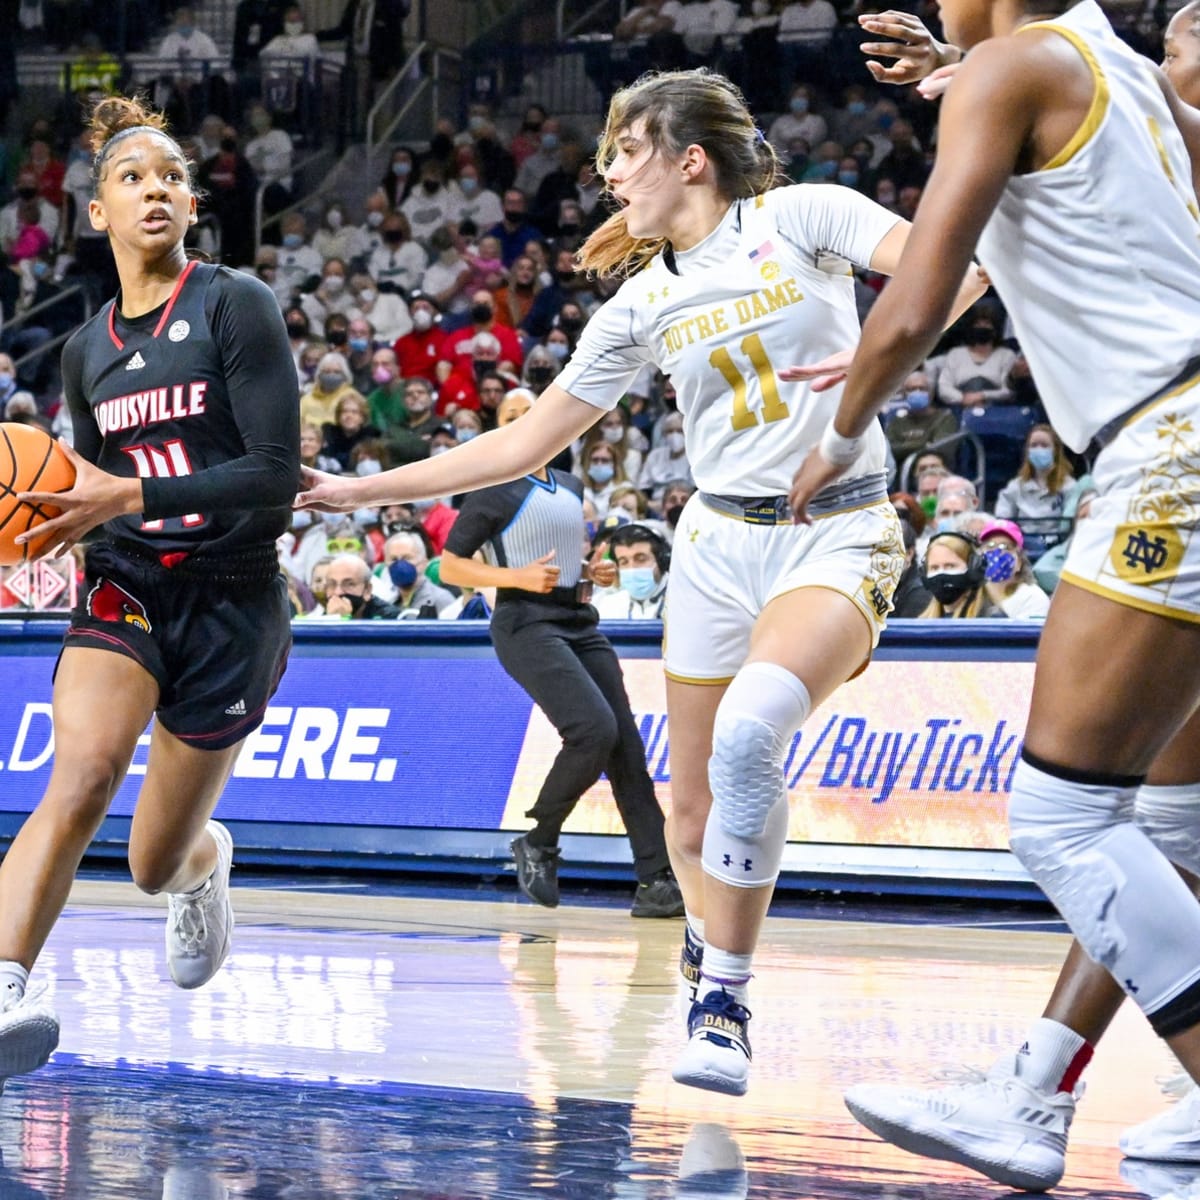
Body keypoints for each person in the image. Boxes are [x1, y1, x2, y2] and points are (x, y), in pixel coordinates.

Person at [295, 67, 983, 1097]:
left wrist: (886, 352)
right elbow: (523, 441)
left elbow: (956, 273)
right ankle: (712, 953)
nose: (609, 172)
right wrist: (358, 492)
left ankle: (726, 1002)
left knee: (755, 731)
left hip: (836, 530)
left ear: (688, 159)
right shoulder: (640, 303)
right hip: (713, 549)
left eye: (626, 151)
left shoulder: (803, 215)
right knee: (693, 820)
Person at [785, 0, 1200, 1188]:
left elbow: (918, 292)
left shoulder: (1018, 70)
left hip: (1167, 444)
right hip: (1184, 424)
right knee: (1168, 828)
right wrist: (975, 68)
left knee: (1066, 820)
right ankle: (1031, 1096)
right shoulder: (1115, 68)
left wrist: (846, 426)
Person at [0, 95, 299, 1084]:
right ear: (99, 213)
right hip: (128, 581)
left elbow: (273, 473)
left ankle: (201, 864)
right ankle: (6, 981)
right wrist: (45, 533)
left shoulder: (234, 304)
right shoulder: (86, 352)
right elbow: (77, 493)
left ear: (191, 206)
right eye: (134, 177)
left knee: (150, 861)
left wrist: (127, 488)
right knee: (80, 772)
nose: (157, 188)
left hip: (233, 597)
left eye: (172, 175)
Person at [438, 389, 683, 916]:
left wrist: (593, 572)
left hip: (579, 617)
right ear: (497, 429)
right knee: (593, 729)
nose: (524, 421)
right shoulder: (491, 488)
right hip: (525, 622)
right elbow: (451, 566)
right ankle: (540, 838)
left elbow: (563, 557)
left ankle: (657, 880)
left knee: (626, 749)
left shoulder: (569, 485)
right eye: (510, 415)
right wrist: (513, 577)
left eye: (531, 411)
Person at [994, 422, 1076, 557]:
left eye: (1044, 445)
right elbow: (1002, 519)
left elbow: (1071, 526)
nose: (1039, 449)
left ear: (1056, 451)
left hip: (1057, 548)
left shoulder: (1069, 486)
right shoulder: (1015, 486)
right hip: (1022, 548)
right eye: (1034, 445)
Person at [917, 530, 1004, 618]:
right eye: (934, 568)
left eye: (950, 566)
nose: (941, 573)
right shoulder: (922, 623)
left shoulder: (992, 620)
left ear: (974, 569)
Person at [594, 522, 670, 619]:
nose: (632, 568)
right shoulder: (608, 606)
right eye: (624, 562)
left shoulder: (685, 602)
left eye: (641, 559)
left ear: (662, 561)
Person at [979, 518, 1051, 619]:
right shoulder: (970, 592)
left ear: (1019, 562)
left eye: (1006, 547)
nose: (997, 553)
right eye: (990, 546)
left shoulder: (1033, 597)